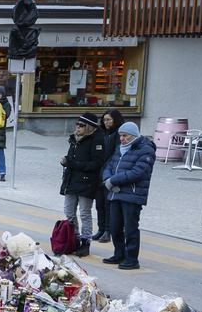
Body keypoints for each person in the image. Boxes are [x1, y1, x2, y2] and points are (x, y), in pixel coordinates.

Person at [101, 122, 155, 270]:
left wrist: (114, 180)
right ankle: (119, 254)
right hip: (115, 192)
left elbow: (139, 172)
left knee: (130, 227)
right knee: (115, 226)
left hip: (132, 194)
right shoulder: (120, 149)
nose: (122, 139)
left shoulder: (146, 149)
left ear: (134, 136)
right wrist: (107, 180)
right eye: (120, 135)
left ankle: (132, 258)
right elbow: (110, 166)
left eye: (125, 136)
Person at [60, 112, 105, 257]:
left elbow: (96, 163)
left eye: (81, 125)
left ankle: (86, 241)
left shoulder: (96, 140)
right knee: (69, 212)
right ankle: (75, 238)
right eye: (77, 124)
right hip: (72, 180)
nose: (78, 127)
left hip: (87, 182)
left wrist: (73, 164)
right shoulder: (74, 139)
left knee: (85, 213)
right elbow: (72, 159)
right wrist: (66, 162)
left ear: (89, 127)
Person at [92, 109, 125, 242]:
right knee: (99, 204)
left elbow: (116, 154)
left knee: (108, 204)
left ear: (115, 120)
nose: (106, 122)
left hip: (109, 173)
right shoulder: (101, 133)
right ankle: (101, 228)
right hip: (98, 172)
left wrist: (106, 168)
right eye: (104, 120)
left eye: (109, 120)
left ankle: (108, 230)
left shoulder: (118, 134)